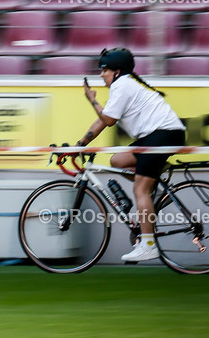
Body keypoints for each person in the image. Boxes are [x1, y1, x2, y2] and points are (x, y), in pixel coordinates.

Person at [74, 48, 186, 262]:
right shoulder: (123, 85)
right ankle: (153, 177)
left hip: (162, 135)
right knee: (118, 160)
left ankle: (148, 245)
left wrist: (92, 100)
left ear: (117, 71)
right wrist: (80, 144)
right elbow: (102, 121)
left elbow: (108, 120)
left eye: (104, 70)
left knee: (139, 189)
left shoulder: (122, 85)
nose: (101, 74)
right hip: (157, 136)